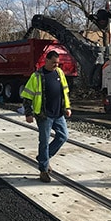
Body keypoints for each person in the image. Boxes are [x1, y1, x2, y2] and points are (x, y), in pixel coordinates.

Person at [21, 50, 72, 183]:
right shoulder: (37, 76)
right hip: (44, 115)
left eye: (58, 63)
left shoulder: (59, 73)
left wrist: (67, 107)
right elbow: (27, 96)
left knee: (63, 136)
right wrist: (28, 113)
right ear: (46, 60)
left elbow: (65, 92)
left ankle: (44, 157)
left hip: (58, 113)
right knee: (44, 142)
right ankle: (43, 170)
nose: (56, 65)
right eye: (54, 63)